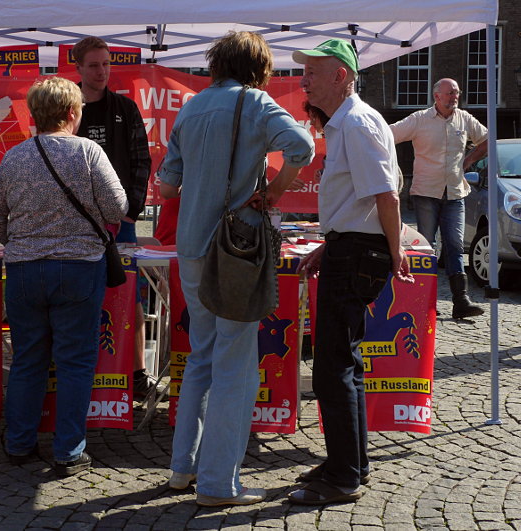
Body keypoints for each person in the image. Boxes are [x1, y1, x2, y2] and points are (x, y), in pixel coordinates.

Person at [158, 31, 315, 507]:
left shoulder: (190, 107)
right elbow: (302, 147)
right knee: (235, 366)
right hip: (237, 249)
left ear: (217, 63)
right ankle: (217, 485)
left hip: (191, 248)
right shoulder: (257, 103)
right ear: (259, 67)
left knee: (201, 358)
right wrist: (272, 191)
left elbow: (166, 188)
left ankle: (182, 468)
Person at [288, 39, 414, 505]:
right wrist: (331, 243)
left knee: (332, 370)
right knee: (344, 366)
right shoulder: (348, 123)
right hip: (352, 248)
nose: (304, 81)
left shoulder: (357, 123)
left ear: (341, 75)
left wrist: (392, 250)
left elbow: (387, 195)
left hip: (360, 253)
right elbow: (359, 202)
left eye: (313, 73)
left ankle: (343, 477)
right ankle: (350, 463)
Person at [0, 77, 127, 476]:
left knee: (28, 360)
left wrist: (24, 241)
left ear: (34, 114)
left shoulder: (14, 157)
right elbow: (117, 208)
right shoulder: (89, 152)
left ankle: (19, 443)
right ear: (72, 113)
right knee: (75, 363)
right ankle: (68, 451)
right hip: (80, 269)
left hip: (25, 271)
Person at [71, 36, 156, 399]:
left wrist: (130, 212)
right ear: (77, 68)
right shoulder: (67, 107)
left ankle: (135, 372)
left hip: (120, 223)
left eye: (106, 63)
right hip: (74, 224)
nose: (101, 71)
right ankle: (80, 374)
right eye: (93, 65)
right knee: (77, 296)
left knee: (129, 295)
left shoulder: (125, 107)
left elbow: (141, 162)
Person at [390, 78, 487, 319]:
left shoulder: (464, 119)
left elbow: (486, 141)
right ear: (437, 96)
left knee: (455, 245)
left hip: (454, 192)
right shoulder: (419, 119)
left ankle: (461, 301)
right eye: (450, 93)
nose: (455, 97)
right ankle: (422, 300)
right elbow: (388, 134)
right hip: (426, 192)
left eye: (457, 92)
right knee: (427, 247)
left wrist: (468, 161)